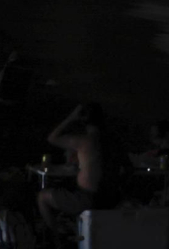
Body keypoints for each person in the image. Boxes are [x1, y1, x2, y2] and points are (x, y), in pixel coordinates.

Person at [37, 102, 121, 240]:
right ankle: (76, 233)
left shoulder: (84, 140)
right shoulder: (113, 140)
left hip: (89, 199)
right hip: (112, 196)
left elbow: (52, 138)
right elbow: (128, 168)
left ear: (82, 120)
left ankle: (58, 239)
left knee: (42, 197)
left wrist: (71, 118)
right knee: (69, 191)